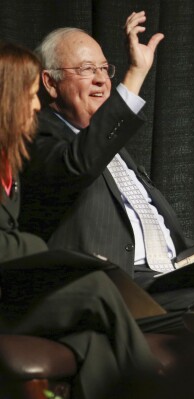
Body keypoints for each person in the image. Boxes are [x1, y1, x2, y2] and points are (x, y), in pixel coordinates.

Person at [19, 11, 194, 341]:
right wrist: (135, 75)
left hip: (172, 272)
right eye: (86, 70)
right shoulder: (37, 140)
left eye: (105, 69)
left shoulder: (115, 151)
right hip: (116, 287)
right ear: (50, 82)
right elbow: (80, 164)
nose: (101, 80)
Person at [0, 40, 160, 399]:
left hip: (13, 295)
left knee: (93, 342)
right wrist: (41, 249)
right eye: (29, 95)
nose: (37, 105)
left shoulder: (9, 162)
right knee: (97, 288)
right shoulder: (42, 146)